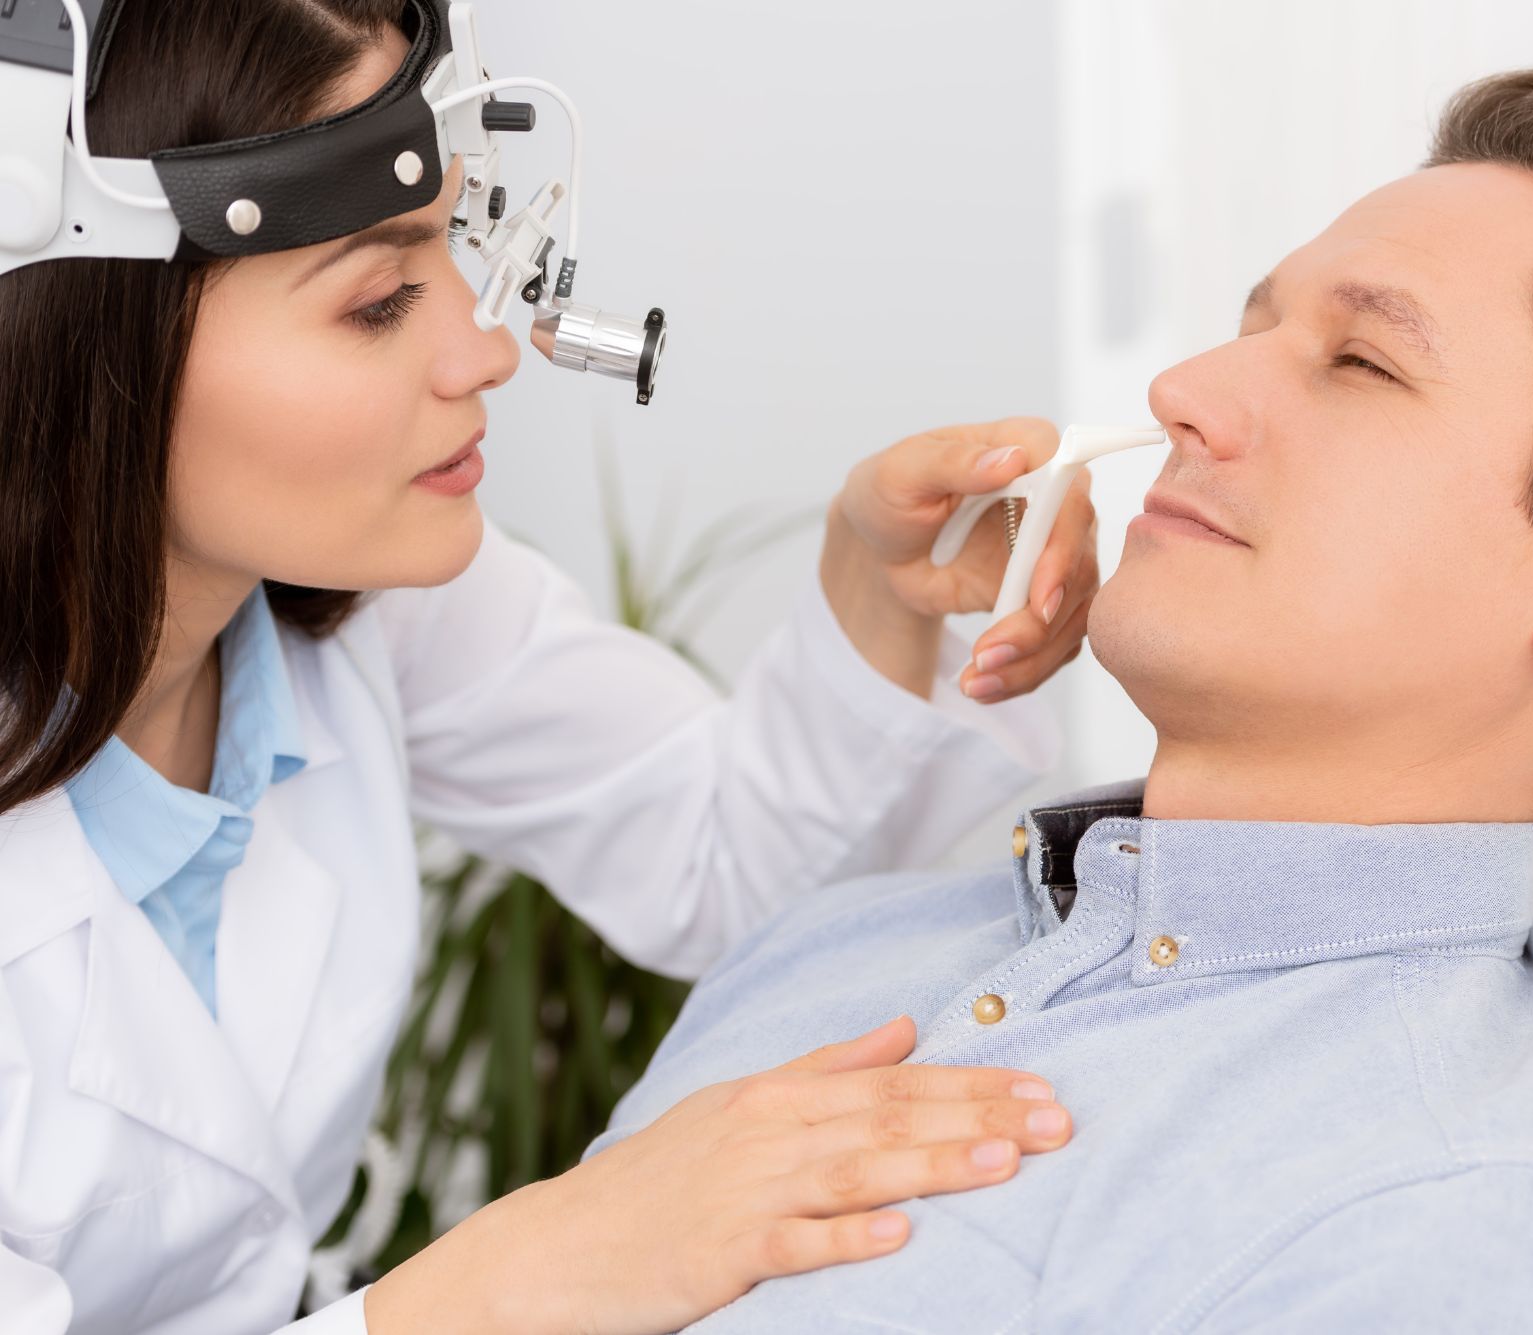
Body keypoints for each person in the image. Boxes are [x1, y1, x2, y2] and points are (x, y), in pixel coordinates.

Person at [593, 66, 1533, 1333]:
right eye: (1254, 324)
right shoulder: (839, 947)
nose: (1185, 391)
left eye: (1363, 362)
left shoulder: (1423, 1217)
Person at [0, 4, 1094, 1332]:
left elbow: (717, 867)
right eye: (379, 301)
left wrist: (877, 600)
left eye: (454, 255)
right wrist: (523, 1274)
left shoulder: (358, 607)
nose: (484, 351)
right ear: (77, 333)